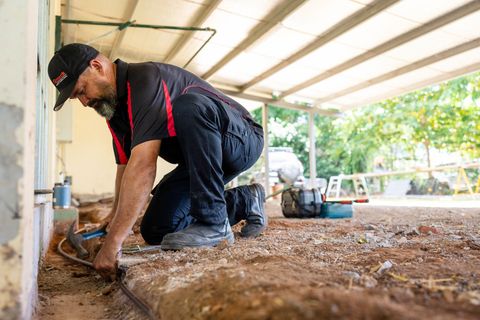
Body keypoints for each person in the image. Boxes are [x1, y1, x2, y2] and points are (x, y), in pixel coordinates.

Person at [48, 43, 267, 277]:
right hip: (201, 160)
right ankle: (244, 200)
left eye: (81, 90)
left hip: (240, 138)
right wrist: (114, 217)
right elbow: (127, 165)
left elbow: (143, 166)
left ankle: (214, 223)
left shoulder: (145, 80)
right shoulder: (114, 112)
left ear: (97, 66)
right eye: (76, 97)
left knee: (190, 106)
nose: (84, 102)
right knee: (157, 228)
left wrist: (114, 243)